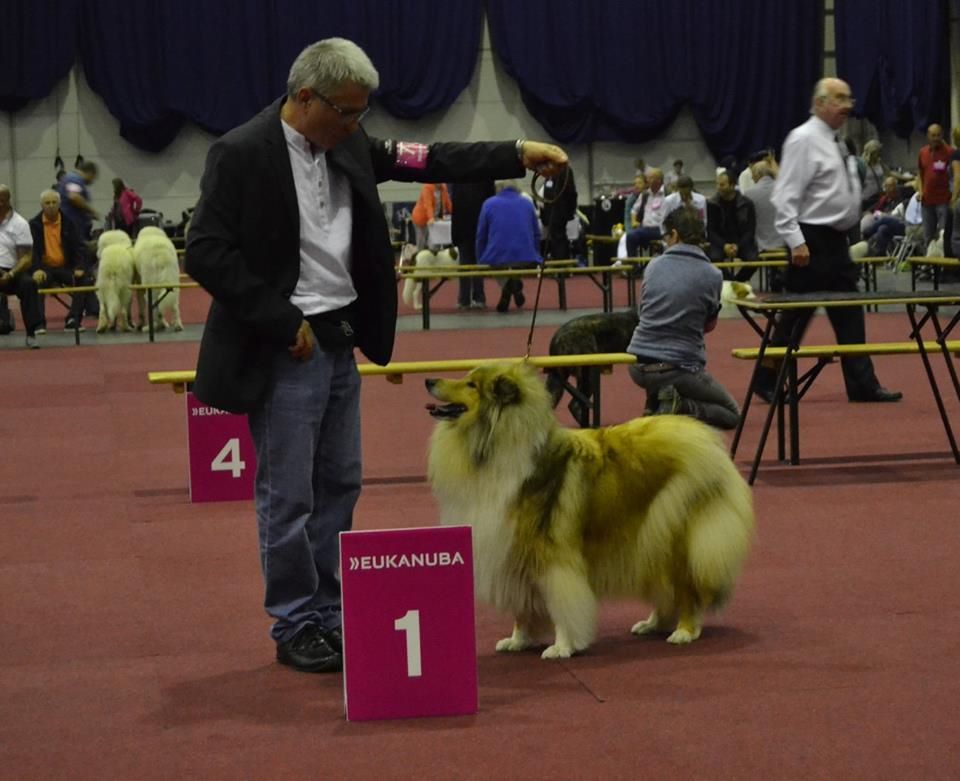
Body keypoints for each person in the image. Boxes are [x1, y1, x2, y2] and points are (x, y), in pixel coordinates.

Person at [184, 37, 568, 674]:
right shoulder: (241, 152)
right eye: (346, 111)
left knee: (341, 483)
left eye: (362, 112)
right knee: (288, 495)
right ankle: (295, 621)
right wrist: (279, 319)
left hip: (340, 340)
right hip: (286, 346)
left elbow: (430, 157)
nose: (357, 123)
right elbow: (205, 250)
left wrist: (517, 152)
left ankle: (331, 610)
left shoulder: (349, 141)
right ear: (305, 97)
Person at [757, 77, 901, 404]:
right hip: (810, 240)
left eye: (849, 98)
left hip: (836, 241)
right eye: (840, 99)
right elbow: (785, 196)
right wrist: (795, 241)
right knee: (795, 316)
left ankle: (862, 384)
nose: (847, 105)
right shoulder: (803, 139)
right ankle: (766, 378)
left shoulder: (836, 142)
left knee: (849, 312)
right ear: (820, 103)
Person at [627, 206, 739, 430]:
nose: (665, 242)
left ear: (675, 234)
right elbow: (709, 325)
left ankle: (657, 404)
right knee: (731, 414)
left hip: (638, 365)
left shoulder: (653, 266)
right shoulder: (712, 274)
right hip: (677, 367)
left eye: (665, 237)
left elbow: (643, 313)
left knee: (664, 383)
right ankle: (682, 406)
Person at [476, 180, 543, 312]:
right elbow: (536, 233)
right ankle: (514, 283)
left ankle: (507, 285)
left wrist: (480, 258)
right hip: (526, 255)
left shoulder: (488, 204)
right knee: (516, 261)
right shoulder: (527, 203)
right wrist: (537, 254)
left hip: (498, 256)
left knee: (494, 261)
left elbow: (481, 236)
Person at [29, 189, 90, 332]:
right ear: (41, 205)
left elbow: (79, 248)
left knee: (85, 280)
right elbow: (32, 251)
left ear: (59, 204)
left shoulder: (70, 223)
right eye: (47, 203)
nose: (51, 206)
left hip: (66, 268)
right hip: (44, 269)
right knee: (33, 282)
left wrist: (79, 266)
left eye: (54, 202)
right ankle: (39, 323)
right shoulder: (33, 224)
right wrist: (36, 269)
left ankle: (73, 319)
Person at [0, 185, 42, 348]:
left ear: (7, 201)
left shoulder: (20, 224)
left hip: (13, 271)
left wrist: (10, 274)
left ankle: (31, 333)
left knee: (29, 284)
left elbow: (26, 257)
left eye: (1, 200)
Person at [450, 180, 494, 309]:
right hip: (479, 226)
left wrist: (455, 235)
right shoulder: (485, 180)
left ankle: (464, 300)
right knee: (478, 264)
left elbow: (455, 208)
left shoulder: (458, 182)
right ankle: (479, 297)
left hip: (463, 228)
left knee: (464, 264)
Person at [707, 169, 758, 281]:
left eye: (722, 185)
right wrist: (724, 245)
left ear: (732, 185)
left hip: (741, 242)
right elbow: (711, 231)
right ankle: (731, 283)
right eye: (717, 184)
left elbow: (750, 231)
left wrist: (738, 246)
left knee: (754, 260)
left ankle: (737, 282)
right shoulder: (711, 204)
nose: (718, 188)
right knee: (713, 259)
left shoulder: (747, 203)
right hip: (720, 243)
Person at [917, 123, 954, 250]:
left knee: (944, 235)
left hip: (944, 201)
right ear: (928, 136)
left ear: (942, 135)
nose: (936, 138)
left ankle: (944, 260)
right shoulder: (922, 152)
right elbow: (920, 173)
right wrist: (920, 191)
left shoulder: (950, 152)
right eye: (933, 135)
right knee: (928, 236)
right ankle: (929, 259)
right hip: (927, 201)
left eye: (938, 135)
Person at [410, 182, 451, 250]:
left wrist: (456, 214)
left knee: (435, 243)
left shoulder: (443, 187)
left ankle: (433, 255)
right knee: (421, 244)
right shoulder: (427, 187)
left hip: (434, 221)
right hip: (421, 219)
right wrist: (431, 218)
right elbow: (428, 204)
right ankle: (420, 256)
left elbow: (448, 203)